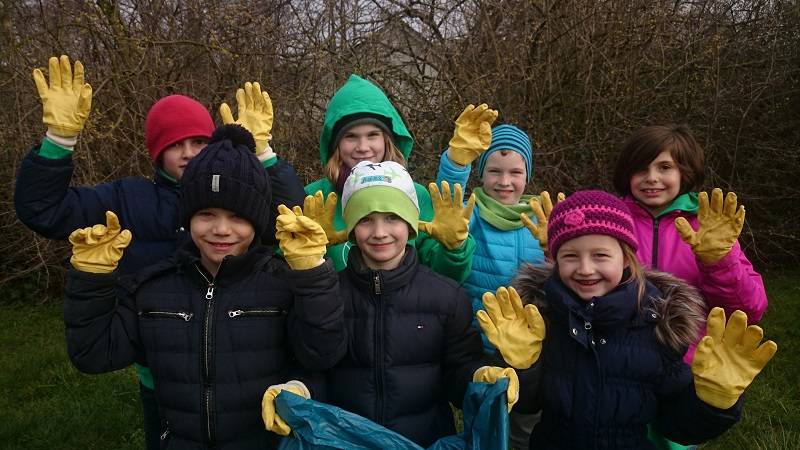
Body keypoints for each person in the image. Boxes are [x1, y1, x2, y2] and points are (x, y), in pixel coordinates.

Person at [13, 55, 305, 449]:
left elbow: (290, 219)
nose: (187, 153)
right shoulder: (129, 200)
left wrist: (262, 155)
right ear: (157, 153)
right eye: (175, 145)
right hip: (162, 372)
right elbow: (43, 210)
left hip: (244, 367)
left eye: (198, 142)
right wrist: (58, 142)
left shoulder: (240, 198)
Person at [63, 125, 344, 449]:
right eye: (206, 214)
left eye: (237, 217)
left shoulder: (281, 284)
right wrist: (91, 278)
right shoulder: (154, 288)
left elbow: (322, 352)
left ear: (257, 221)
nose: (221, 229)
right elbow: (93, 355)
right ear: (188, 218)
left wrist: (312, 273)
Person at [477, 190, 777, 449]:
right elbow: (527, 404)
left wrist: (712, 403)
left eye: (600, 255)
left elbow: (676, 427)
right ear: (555, 259)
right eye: (570, 256)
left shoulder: (656, 326)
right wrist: (521, 368)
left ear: (627, 258)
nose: (585, 268)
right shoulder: (542, 319)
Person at [313, 160, 518, 447]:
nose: (380, 232)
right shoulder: (330, 293)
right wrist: (298, 387)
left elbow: (458, 370)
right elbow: (314, 365)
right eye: (365, 219)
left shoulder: (447, 296)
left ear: (411, 225)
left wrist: (479, 376)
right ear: (350, 228)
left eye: (393, 218)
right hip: (345, 440)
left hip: (425, 439)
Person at [435, 114, 549, 449]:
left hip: (528, 348)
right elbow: (449, 193)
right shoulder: (471, 215)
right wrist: (456, 161)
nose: (505, 181)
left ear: (527, 175)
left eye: (515, 172)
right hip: (480, 344)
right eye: (495, 171)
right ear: (481, 172)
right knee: (484, 426)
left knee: (524, 427)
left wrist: (552, 246)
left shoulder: (539, 219)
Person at [612, 123, 768, 359]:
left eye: (665, 167)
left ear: (684, 172)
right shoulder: (610, 221)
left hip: (692, 363)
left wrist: (718, 263)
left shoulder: (709, 227)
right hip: (619, 361)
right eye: (641, 169)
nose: (652, 178)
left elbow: (749, 310)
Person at [303, 74, 474, 282]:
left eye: (372, 135)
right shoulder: (314, 198)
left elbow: (445, 278)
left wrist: (454, 251)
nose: (363, 147)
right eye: (351, 137)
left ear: (387, 140)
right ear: (335, 144)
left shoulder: (416, 195)